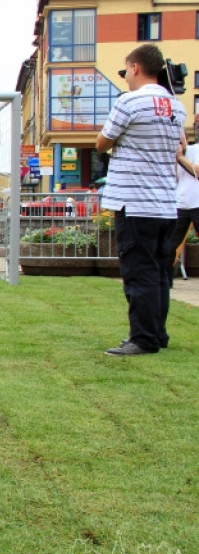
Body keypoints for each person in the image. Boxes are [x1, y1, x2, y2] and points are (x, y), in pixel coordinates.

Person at [97, 43, 186, 356]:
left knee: (139, 273)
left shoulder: (130, 102)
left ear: (135, 67)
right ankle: (158, 334)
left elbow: (102, 141)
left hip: (134, 201)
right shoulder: (177, 106)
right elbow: (179, 146)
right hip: (165, 203)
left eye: (126, 69)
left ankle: (143, 338)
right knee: (160, 273)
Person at [168, 124, 199, 279]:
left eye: (181, 141)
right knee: (171, 243)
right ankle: (166, 278)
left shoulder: (196, 150)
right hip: (180, 205)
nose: (179, 145)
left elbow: (197, 172)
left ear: (186, 139)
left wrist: (180, 158)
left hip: (197, 203)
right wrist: (174, 161)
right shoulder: (171, 156)